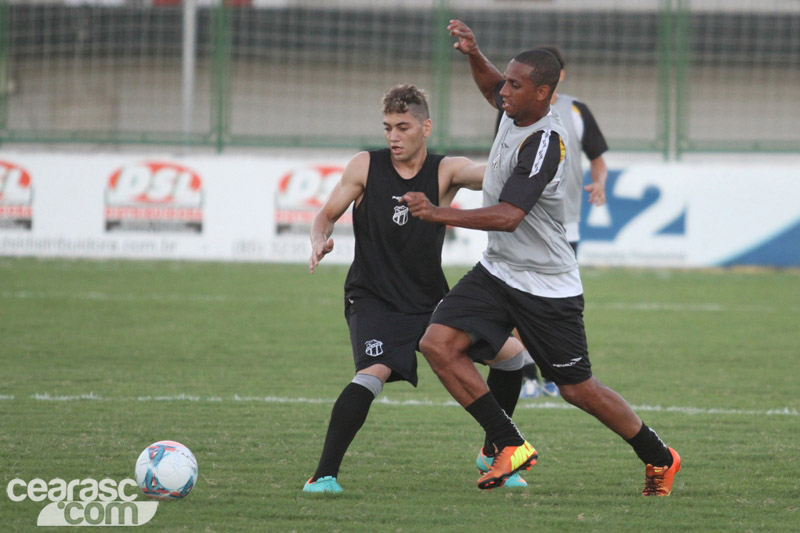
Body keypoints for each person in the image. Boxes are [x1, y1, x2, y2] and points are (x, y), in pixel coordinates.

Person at [397, 20, 681, 496]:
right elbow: (490, 86)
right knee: (438, 344)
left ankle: (660, 456)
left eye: (515, 85)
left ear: (543, 93)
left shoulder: (546, 142)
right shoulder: (514, 110)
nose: (503, 92)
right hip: (498, 271)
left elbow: (509, 216)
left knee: (577, 389)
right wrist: (473, 53)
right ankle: (510, 444)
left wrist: (436, 212)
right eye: (505, 81)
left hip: (545, 284)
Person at [303, 84, 532, 493]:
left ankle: (494, 450)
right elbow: (325, 215)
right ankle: (322, 476)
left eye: (403, 127)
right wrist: (319, 239)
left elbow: (490, 174)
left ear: (425, 127)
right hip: (374, 297)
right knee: (372, 374)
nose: (393, 136)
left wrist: (527, 151)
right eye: (387, 127)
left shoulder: (446, 171)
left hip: (431, 300)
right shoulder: (365, 166)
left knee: (512, 357)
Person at [509, 46, 609, 399]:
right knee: (518, 301)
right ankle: (527, 375)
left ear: (560, 76)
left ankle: (554, 373)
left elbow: (598, 158)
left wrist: (599, 183)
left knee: (552, 305)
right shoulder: (513, 111)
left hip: (567, 225)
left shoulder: (577, 110)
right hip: (523, 221)